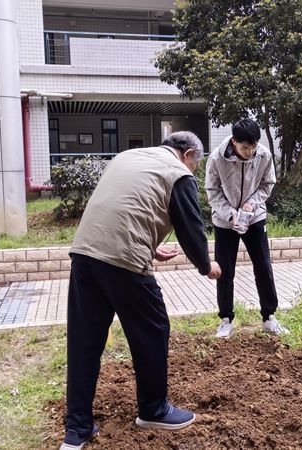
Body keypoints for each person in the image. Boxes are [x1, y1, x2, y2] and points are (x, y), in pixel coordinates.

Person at [60, 131, 221, 450]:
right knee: (153, 328)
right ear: (188, 154)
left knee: (84, 341)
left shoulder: (127, 157)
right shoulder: (178, 173)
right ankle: (153, 409)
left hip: (85, 254)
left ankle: (76, 428)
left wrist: (151, 246)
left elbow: (123, 205)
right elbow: (190, 227)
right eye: (196, 164)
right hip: (124, 260)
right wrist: (206, 266)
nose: (194, 170)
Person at [205, 118, 288, 339]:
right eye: (244, 148)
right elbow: (212, 191)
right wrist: (230, 213)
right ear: (234, 142)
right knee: (225, 271)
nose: (250, 152)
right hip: (225, 221)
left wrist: (252, 203)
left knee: (263, 266)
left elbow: (267, 184)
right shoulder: (217, 158)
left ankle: (269, 317)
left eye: (253, 147)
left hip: (254, 217)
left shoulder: (263, 155)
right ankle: (226, 320)